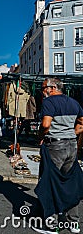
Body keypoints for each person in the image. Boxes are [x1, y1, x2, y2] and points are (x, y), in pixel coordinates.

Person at [33, 78, 83, 234]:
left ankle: (51, 224)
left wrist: (41, 136)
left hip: (55, 146)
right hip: (71, 146)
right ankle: (73, 222)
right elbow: (81, 123)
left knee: (50, 183)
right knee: (70, 182)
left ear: (52, 88)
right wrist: (71, 134)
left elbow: (46, 124)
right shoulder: (74, 103)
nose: (42, 92)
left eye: (43, 89)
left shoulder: (49, 102)